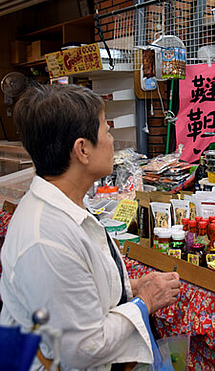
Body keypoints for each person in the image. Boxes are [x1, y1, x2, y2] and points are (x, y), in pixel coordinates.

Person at [0, 84, 181, 369]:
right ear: (82, 150)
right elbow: (84, 346)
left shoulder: (65, 206)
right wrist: (144, 301)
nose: (111, 140)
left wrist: (131, 288)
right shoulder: (46, 239)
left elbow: (78, 294)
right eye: (105, 132)